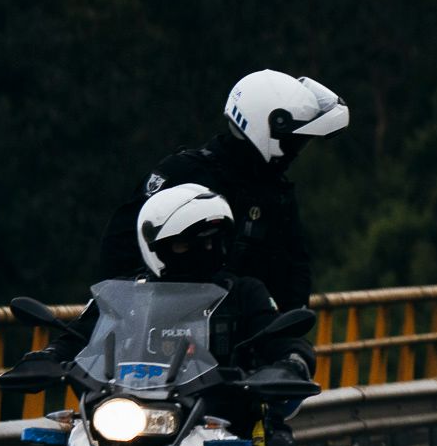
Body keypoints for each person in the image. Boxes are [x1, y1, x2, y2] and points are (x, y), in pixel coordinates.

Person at [14, 185, 313, 446]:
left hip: (212, 418)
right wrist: (46, 358)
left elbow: (281, 335)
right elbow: (77, 338)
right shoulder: (123, 293)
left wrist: (290, 361)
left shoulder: (244, 292)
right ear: (156, 244)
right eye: (187, 241)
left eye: (212, 239)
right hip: (128, 410)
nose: (203, 249)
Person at [100, 70, 348, 312]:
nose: (296, 151)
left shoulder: (276, 191)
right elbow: (121, 250)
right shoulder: (184, 173)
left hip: (247, 339)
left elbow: (294, 268)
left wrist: (287, 338)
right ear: (267, 128)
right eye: (293, 142)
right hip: (168, 331)